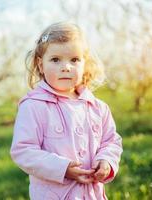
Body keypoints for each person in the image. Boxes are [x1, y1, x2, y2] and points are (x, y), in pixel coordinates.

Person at [10, 22, 123, 200]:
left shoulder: (98, 108)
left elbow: (111, 141)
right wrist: (62, 168)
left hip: (93, 195)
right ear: (41, 65)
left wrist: (107, 161)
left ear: (85, 64)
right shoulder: (33, 106)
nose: (66, 67)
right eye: (55, 59)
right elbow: (23, 150)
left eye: (74, 60)